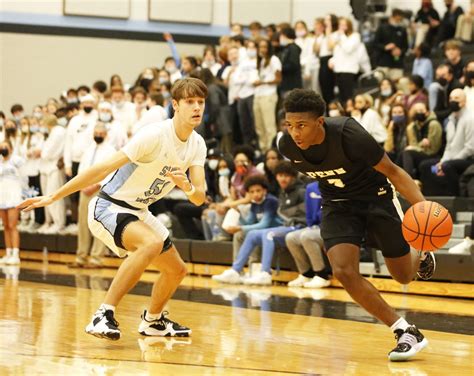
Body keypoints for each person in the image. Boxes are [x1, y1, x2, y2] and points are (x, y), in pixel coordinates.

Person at [19, 78, 208, 340]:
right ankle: (102, 314)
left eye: (200, 102)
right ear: (175, 105)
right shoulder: (154, 135)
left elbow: (199, 197)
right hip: (108, 205)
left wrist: (186, 185)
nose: (197, 107)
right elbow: (102, 169)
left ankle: (152, 321)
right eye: (190, 102)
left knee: (177, 270)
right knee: (150, 243)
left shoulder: (197, 144)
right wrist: (53, 196)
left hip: (139, 211)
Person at [277, 89, 436, 361]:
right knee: (342, 269)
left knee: (403, 277)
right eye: (290, 125)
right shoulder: (287, 146)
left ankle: (420, 248)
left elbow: (394, 172)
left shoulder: (351, 134)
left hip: (377, 199)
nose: (295, 133)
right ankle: (405, 330)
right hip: (338, 204)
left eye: (301, 125)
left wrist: (422, 209)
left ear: (320, 122)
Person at [212, 174, 284, 285]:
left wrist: (240, 227)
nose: (255, 194)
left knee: (251, 232)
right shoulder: (254, 204)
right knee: (239, 234)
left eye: (258, 190)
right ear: (248, 193)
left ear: (265, 190)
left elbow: (264, 224)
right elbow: (249, 223)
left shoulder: (271, 201)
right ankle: (237, 271)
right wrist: (239, 214)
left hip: (276, 231)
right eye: (252, 192)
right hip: (261, 232)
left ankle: (254, 270)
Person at [68, 124, 116, 269]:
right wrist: (82, 185)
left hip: (100, 190)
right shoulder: (88, 150)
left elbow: (110, 171)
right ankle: (81, 256)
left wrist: (95, 185)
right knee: (82, 223)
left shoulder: (111, 150)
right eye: (96, 132)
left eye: (101, 133)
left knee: (99, 223)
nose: (98, 135)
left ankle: (96, 258)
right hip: (84, 189)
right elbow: (81, 170)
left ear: (106, 134)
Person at [419, 88, 474, 196]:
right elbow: (449, 146)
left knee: (447, 167)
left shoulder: (471, 119)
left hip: (468, 160)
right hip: (451, 160)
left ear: (464, 101)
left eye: (456, 98)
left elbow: (470, 148)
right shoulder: (450, 120)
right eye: (451, 98)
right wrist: (442, 162)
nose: (453, 100)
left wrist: (446, 163)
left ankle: (456, 200)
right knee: (426, 166)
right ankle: (430, 201)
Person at [286, 181, 330, 289]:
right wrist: (310, 225)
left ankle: (321, 275)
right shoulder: (310, 187)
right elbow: (309, 211)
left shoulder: (332, 185)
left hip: (329, 227)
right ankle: (306, 274)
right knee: (290, 238)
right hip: (315, 227)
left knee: (307, 237)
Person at [0, 141, 25, 265]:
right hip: (2, 196)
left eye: (5, 146)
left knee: (12, 225)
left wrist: (24, 194)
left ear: (11, 148)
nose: (3, 149)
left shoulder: (17, 161)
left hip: (14, 196)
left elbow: (24, 177)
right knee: (5, 226)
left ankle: (16, 254)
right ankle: (8, 252)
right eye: (1, 147)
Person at [373, 9, 409, 82]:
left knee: (398, 85)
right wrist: (385, 47)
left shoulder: (402, 30)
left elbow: (406, 46)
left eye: (400, 20)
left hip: (397, 64)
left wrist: (400, 51)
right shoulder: (382, 28)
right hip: (383, 62)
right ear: (392, 17)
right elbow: (375, 44)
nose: (398, 22)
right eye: (396, 20)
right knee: (382, 85)